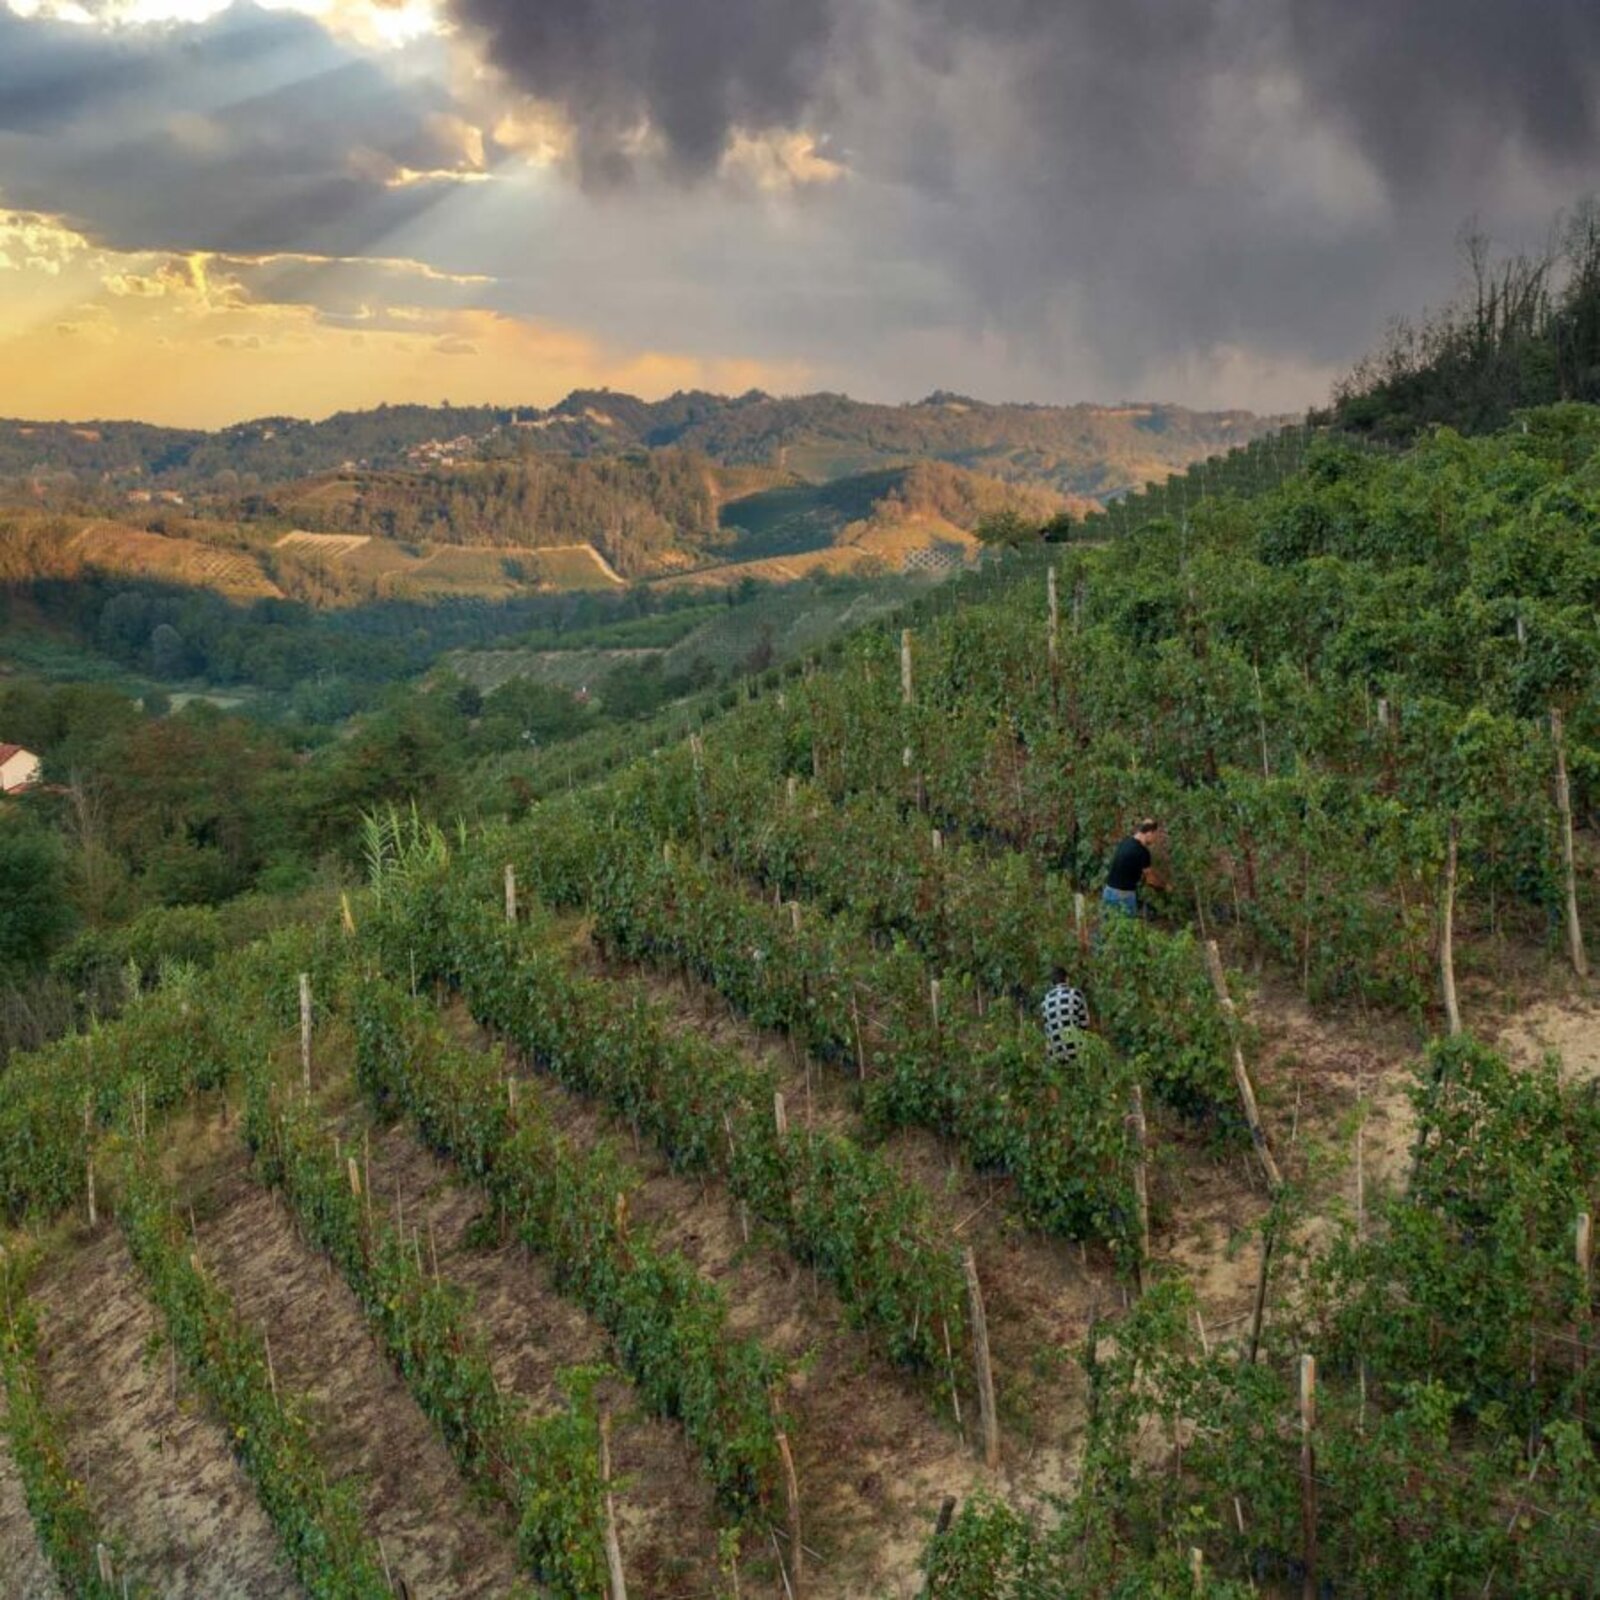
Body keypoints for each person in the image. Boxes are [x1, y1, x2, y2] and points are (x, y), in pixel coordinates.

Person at [1103, 818, 1163, 917]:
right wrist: (1165, 886)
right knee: (1127, 929)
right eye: (1155, 835)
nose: (1155, 839)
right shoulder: (1142, 852)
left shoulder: (1125, 842)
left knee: (1108, 928)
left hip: (1108, 891)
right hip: (1124, 896)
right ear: (1149, 833)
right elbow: (1151, 880)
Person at [1040, 967, 1090, 1065]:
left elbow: (1047, 1029)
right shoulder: (1075, 994)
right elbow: (1085, 1024)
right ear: (1067, 979)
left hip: (1054, 1054)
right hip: (1075, 1051)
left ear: (1052, 983)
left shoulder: (1045, 1000)